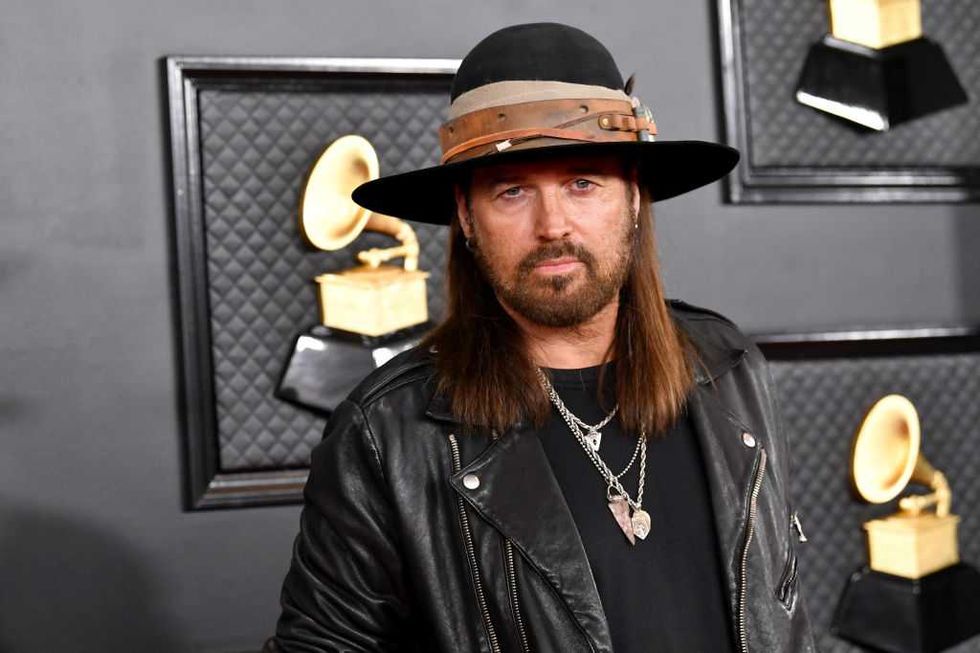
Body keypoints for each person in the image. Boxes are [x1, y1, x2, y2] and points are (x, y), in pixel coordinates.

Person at [272, 22, 815, 653]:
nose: (553, 225)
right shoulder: (386, 433)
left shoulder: (727, 365)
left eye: (583, 183)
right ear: (467, 217)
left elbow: (782, 612)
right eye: (512, 191)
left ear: (633, 198)